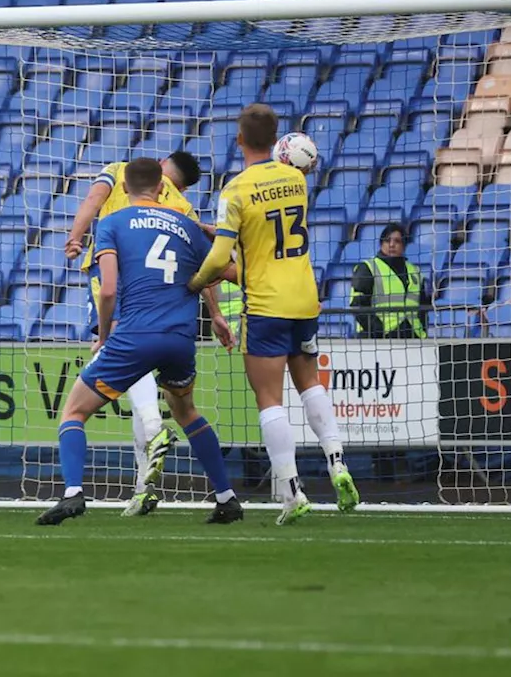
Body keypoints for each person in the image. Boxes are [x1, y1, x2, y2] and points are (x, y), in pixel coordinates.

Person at [38, 158, 242, 526]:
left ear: (125, 188)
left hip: (134, 335)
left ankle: (72, 494)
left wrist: (103, 335)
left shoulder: (113, 222)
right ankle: (226, 497)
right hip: (180, 338)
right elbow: (223, 272)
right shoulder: (185, 224)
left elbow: (109, 289)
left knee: (74, 412)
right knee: (186, 412)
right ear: (162, 188)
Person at [187, 104, 360, 524]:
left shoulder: (235, 190)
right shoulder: (296, 180)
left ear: (239, 139)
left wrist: (194, 283)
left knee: (269, 399)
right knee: (310, 383)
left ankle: (292, 491)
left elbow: (219, 260)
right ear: (277, 138)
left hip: (266, 304)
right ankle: (337, 462)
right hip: (305, 298)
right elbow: (267, 233)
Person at [351, 224, 430, 339]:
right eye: (387, 240)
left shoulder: (415, 271)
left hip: (413, 335)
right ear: (381, 243)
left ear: (404, 246)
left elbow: (422, 307)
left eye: (397, 241)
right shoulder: (367, 268)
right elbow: (357, 306)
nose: (392, 244)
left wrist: (422, 330)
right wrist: (378, 331)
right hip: (379, 338)